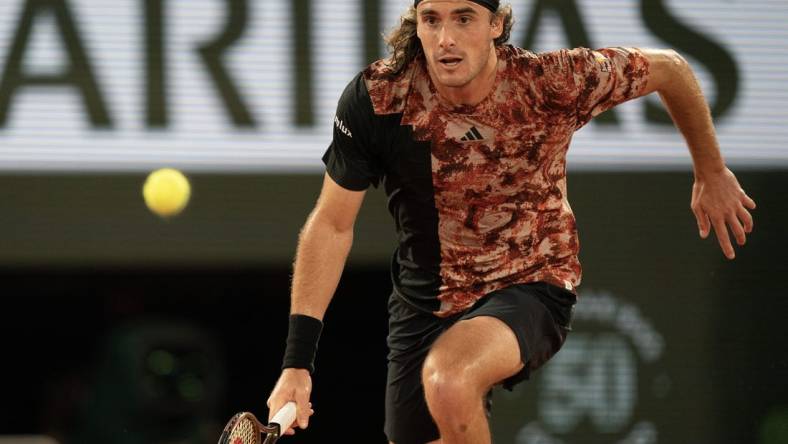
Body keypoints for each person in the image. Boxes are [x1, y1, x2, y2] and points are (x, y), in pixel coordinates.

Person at [266, 0, 757, 443]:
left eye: (464, 18)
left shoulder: (551, 82)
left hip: (531, 282)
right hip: (424, 301)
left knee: (450, 378)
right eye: (432, 20)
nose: (446, 39)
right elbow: (331, 225)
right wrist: (297, 362)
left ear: (497, 25)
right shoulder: (378, 97)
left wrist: (711, 171)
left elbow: (670, 69)